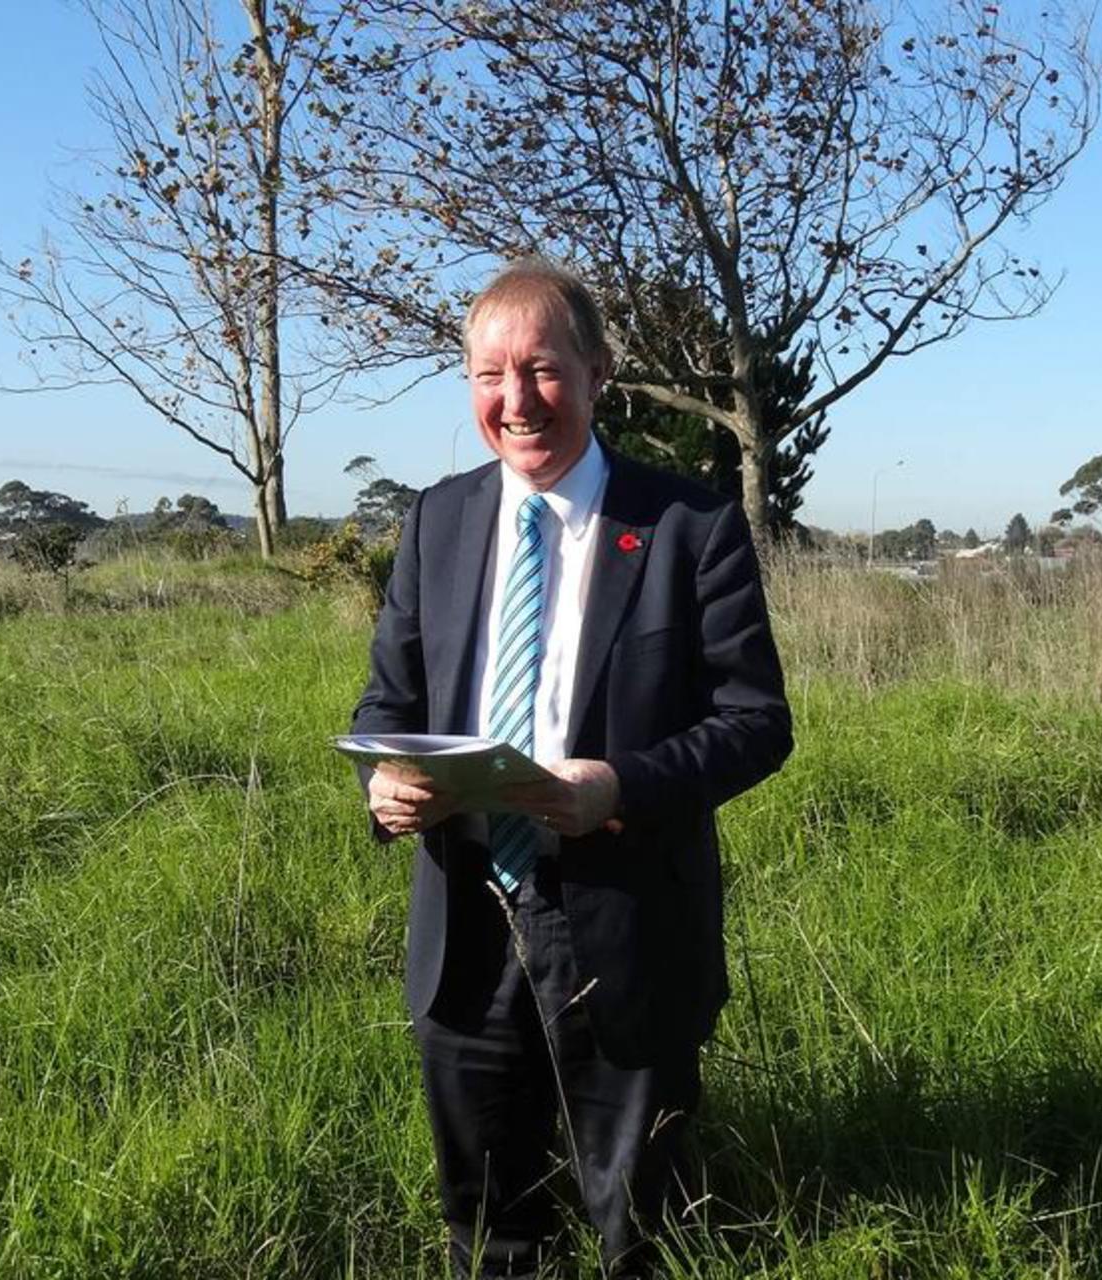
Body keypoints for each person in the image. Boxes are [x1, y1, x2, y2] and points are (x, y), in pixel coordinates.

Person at [351, 259, 792, 1276]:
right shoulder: (436, 520)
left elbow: (756, 722)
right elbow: (387, 703)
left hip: (627, 923)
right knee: (486, 1229)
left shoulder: (689, 526)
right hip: (465, 917)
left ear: (598, 374)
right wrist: (384, 782)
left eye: (542, 369)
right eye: (488, 374)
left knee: (641, 1228)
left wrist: (620, 788)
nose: (515, 400)